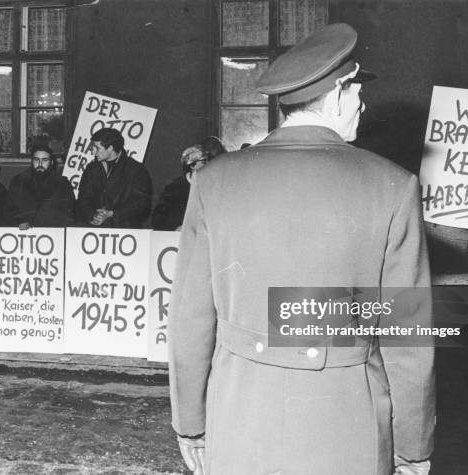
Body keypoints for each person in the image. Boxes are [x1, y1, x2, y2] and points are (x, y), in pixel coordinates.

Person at [168, 23, 434, 475]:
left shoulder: (213, 182)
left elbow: (190, 318)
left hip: (240, 417)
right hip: (346, 424)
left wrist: (190, 423)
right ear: (335, 95)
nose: (362, 104)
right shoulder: (393, 186)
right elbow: (407, 337)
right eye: (356, 92)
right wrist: (414, 445)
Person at [76, 127, 152, 228]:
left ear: (110, 148)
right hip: (94, 230)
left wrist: (112, 214)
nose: (93, 152)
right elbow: (83, 198)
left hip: (125, 231)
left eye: (97, 148)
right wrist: (92, 216)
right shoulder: (91, 168)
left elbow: (140, 204)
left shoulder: (137, 170)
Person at [152, 138, 226, 231]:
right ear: (192, 165)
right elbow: (158, 221)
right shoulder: (174, 189)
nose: (209, 165)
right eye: (204, 161)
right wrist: (177, 227)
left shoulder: (218, 186)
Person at [6, 144, 75, 229]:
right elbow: (9, 208)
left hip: (54, 232)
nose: (40, 164)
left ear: (51, 162)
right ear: (32, 161)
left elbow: (69, 211)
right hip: (24, 234)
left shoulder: (63, 184)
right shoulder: (18, 181)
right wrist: (19, 221)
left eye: (45, 160)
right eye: (36, 160)